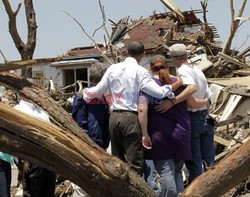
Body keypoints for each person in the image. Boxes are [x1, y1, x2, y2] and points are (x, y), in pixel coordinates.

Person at [83, 40, 183, 175]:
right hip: (130, 119)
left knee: (117, 163)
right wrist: (174, 85)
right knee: (134, 163)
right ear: (142, 54)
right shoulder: (140, 71)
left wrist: (85, 93)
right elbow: (158, 93)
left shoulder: (113, 68)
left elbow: (98, 91)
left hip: (114, 118)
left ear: (126, 52)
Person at [138, 55, 208, 197]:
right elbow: (192, 104)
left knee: (165, 171)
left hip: (160, 135)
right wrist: (207, 100)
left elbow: (142, 110)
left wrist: (144, 133)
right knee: (177, 171)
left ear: (150, 68)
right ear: (167, 66)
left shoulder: (146, 86)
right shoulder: (179, 83)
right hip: (182, 132)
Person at [156, 44, 214, 183]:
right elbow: (209, 98)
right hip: (205, 118)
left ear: (175, 58)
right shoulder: (198, 70)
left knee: (194, 163)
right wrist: (205, 102)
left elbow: (191, 96)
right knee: (209, 163)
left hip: (194, 118)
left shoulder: (182, 71)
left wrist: (173, 102)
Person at [14, 98, 57, 197]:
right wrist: (22, 160)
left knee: (48, 191)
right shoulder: (19, 109)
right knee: (33, 192)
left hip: (48, 158)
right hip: (32, 159)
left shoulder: (41, 111)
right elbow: (16, 137)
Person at [72, 63, 110, 150]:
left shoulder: (78, 95)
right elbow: (94, 126)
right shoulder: (96, 98)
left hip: (79, 139)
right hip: (90, 144)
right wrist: (98, 148)